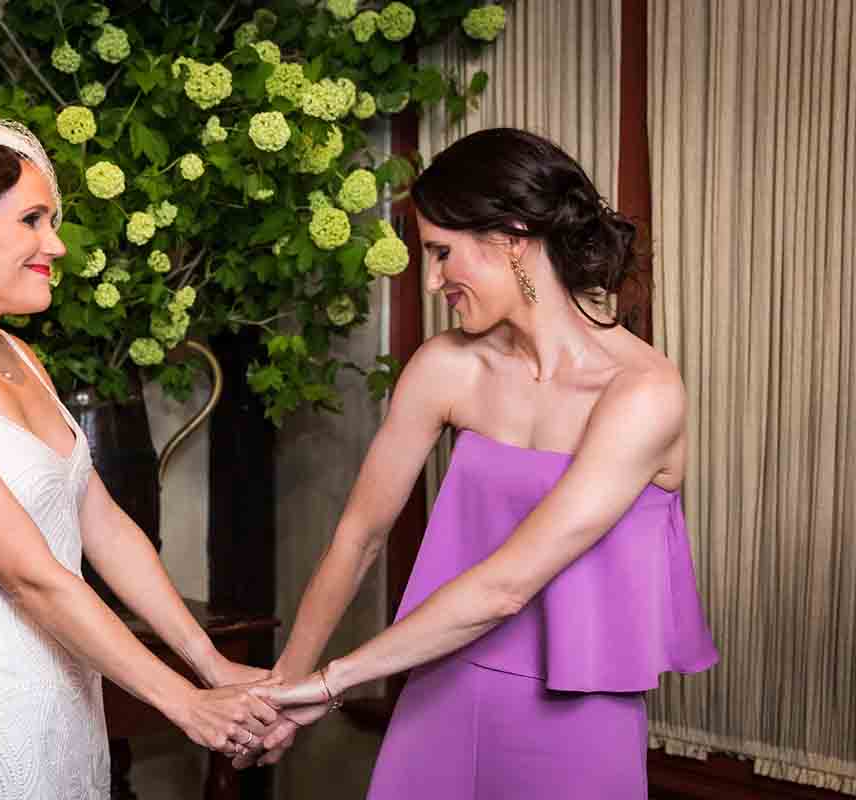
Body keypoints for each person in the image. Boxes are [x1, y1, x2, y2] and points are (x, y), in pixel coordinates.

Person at [242, 128, 718, 798]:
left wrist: (333, 682)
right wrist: (284, 688)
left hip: (578, 716)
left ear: (513, 236)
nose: (432, 281)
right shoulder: (447, 367)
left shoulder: (643, 393)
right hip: (439, 687)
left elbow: (507, 587)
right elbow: (360, 535)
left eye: (442, 253)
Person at [0, 115, 275, 800]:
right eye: (32, 220)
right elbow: (34, 581)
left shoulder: (20, 356)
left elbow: (102, 524)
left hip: (76, 712)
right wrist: (183, 703)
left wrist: (209, 663)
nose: (55, 243)